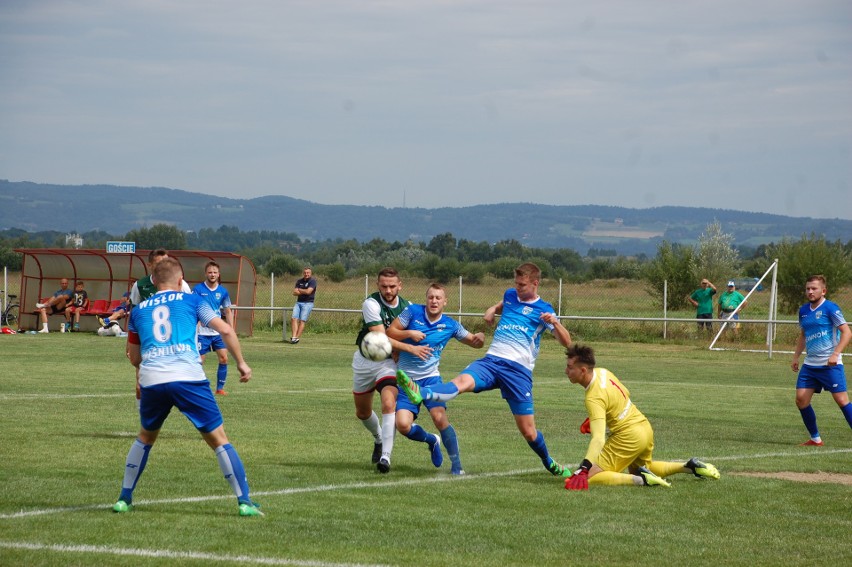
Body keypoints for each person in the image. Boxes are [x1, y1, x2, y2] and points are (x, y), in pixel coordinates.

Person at [111, 257, 262, 516]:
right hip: (187, 376)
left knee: (146, 437)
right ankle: (244, 502)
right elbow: (224, 329)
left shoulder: (138, 311)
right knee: (218, 440)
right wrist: (242, 363)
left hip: (153, 379)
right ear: (181, 281)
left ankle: (124, 498)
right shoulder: (192, 300)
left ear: (154, 281)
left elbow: (134, 358)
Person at [397, 263, 574, 477]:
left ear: (535, 284)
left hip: (517, 372)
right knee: (462, 383)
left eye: (522, 285)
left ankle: (549, 462)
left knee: (528, 432)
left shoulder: (544, 310)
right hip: (492, 361)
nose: (517, 288)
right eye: (516, 283)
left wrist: (555, 322)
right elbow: (503, 303)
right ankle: (421, 392)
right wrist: (491, 310)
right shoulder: (510, 294)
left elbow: (567, 342)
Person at [563, 343, 721, 490]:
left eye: (570, 368)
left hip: (628, 436)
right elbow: (624, 393)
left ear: (583, 370)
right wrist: (598, 418)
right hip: (644, 428)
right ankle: (688, 466)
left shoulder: (593, 397)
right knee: (642, 468)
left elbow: (598, 439)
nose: (566, 371)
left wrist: (584, 469)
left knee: (591, 476)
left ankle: (641, 480)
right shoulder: (603, 372)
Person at [387, 283, 485, 475]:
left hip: (431, 380)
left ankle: (457, 465)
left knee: (440, 419)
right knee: (403, 425)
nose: (434, 301)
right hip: (407, 382)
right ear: (426, 299)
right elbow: (390, 332)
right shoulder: (412, 312)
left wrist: (480, 337)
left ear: (445, 302)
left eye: (438, 298)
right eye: (431, 297)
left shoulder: (451, 325)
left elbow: (474, 342)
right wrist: (409, 334)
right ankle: (431, 440)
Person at [352, 267, 425, 474]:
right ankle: (378, 438)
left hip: (389, 364)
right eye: (384, 286)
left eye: (392, 286)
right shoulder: (371, 303)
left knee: (388, 402)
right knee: (362, 412)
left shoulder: (408, 307)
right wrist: (408, 346)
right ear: (378, 285)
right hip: (365, 362)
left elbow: (414, 333)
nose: (388, 290)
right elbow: (381, 337)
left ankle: (386, 456)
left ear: (400, 286)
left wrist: (403, 349)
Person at [790, 275, 852, 446]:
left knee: (841, 401)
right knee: (801, 400)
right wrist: (796, 356)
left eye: (814, 288)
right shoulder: (803, 311)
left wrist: (835, 354)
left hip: (830, 365)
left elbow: (847, 333)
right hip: (810, 365)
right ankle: (815, 438)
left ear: (823, 291)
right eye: (808, 288)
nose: (810, 291)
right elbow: (803, 335)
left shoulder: (831, 308)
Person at [128, 249, 192, 405]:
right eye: (158, 263)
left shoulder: (181, 284)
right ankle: (145, 422)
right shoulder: (140, 285)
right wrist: (129, 343)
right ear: (150, 265)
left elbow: (190, 313)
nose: (163, 266)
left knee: (174, 385)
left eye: (166, 262)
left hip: (173, 340)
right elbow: (133, 315)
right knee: (140, 385)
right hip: (146, 340)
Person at [192, 261, 234, 395]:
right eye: (210, 272)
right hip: (202, 333)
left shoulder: (223, 291)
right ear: (206, 273)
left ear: (219, 274)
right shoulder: (198, 289)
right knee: (199, 361)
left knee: (224, 358)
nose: (212, 274)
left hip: (217, 332)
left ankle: (219, 389)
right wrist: (197, 323)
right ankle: (196, 388)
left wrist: (231, 329)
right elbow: (193, 308)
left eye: (215, 272)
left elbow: (227, 311)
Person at [290, 267, 317, 344]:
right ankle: (294, 337)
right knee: (294, 318)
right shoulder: (299, 281)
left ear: (310, 273)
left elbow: (309, 292)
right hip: (298, 303)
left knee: (302, 320)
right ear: (303, 273)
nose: (306, 274)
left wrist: (300, 290)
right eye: (305, 273)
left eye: (308, 273)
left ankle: (297, 338)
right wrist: (303, 291)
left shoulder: (313, 281)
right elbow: (294, 292)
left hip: (308, 303)